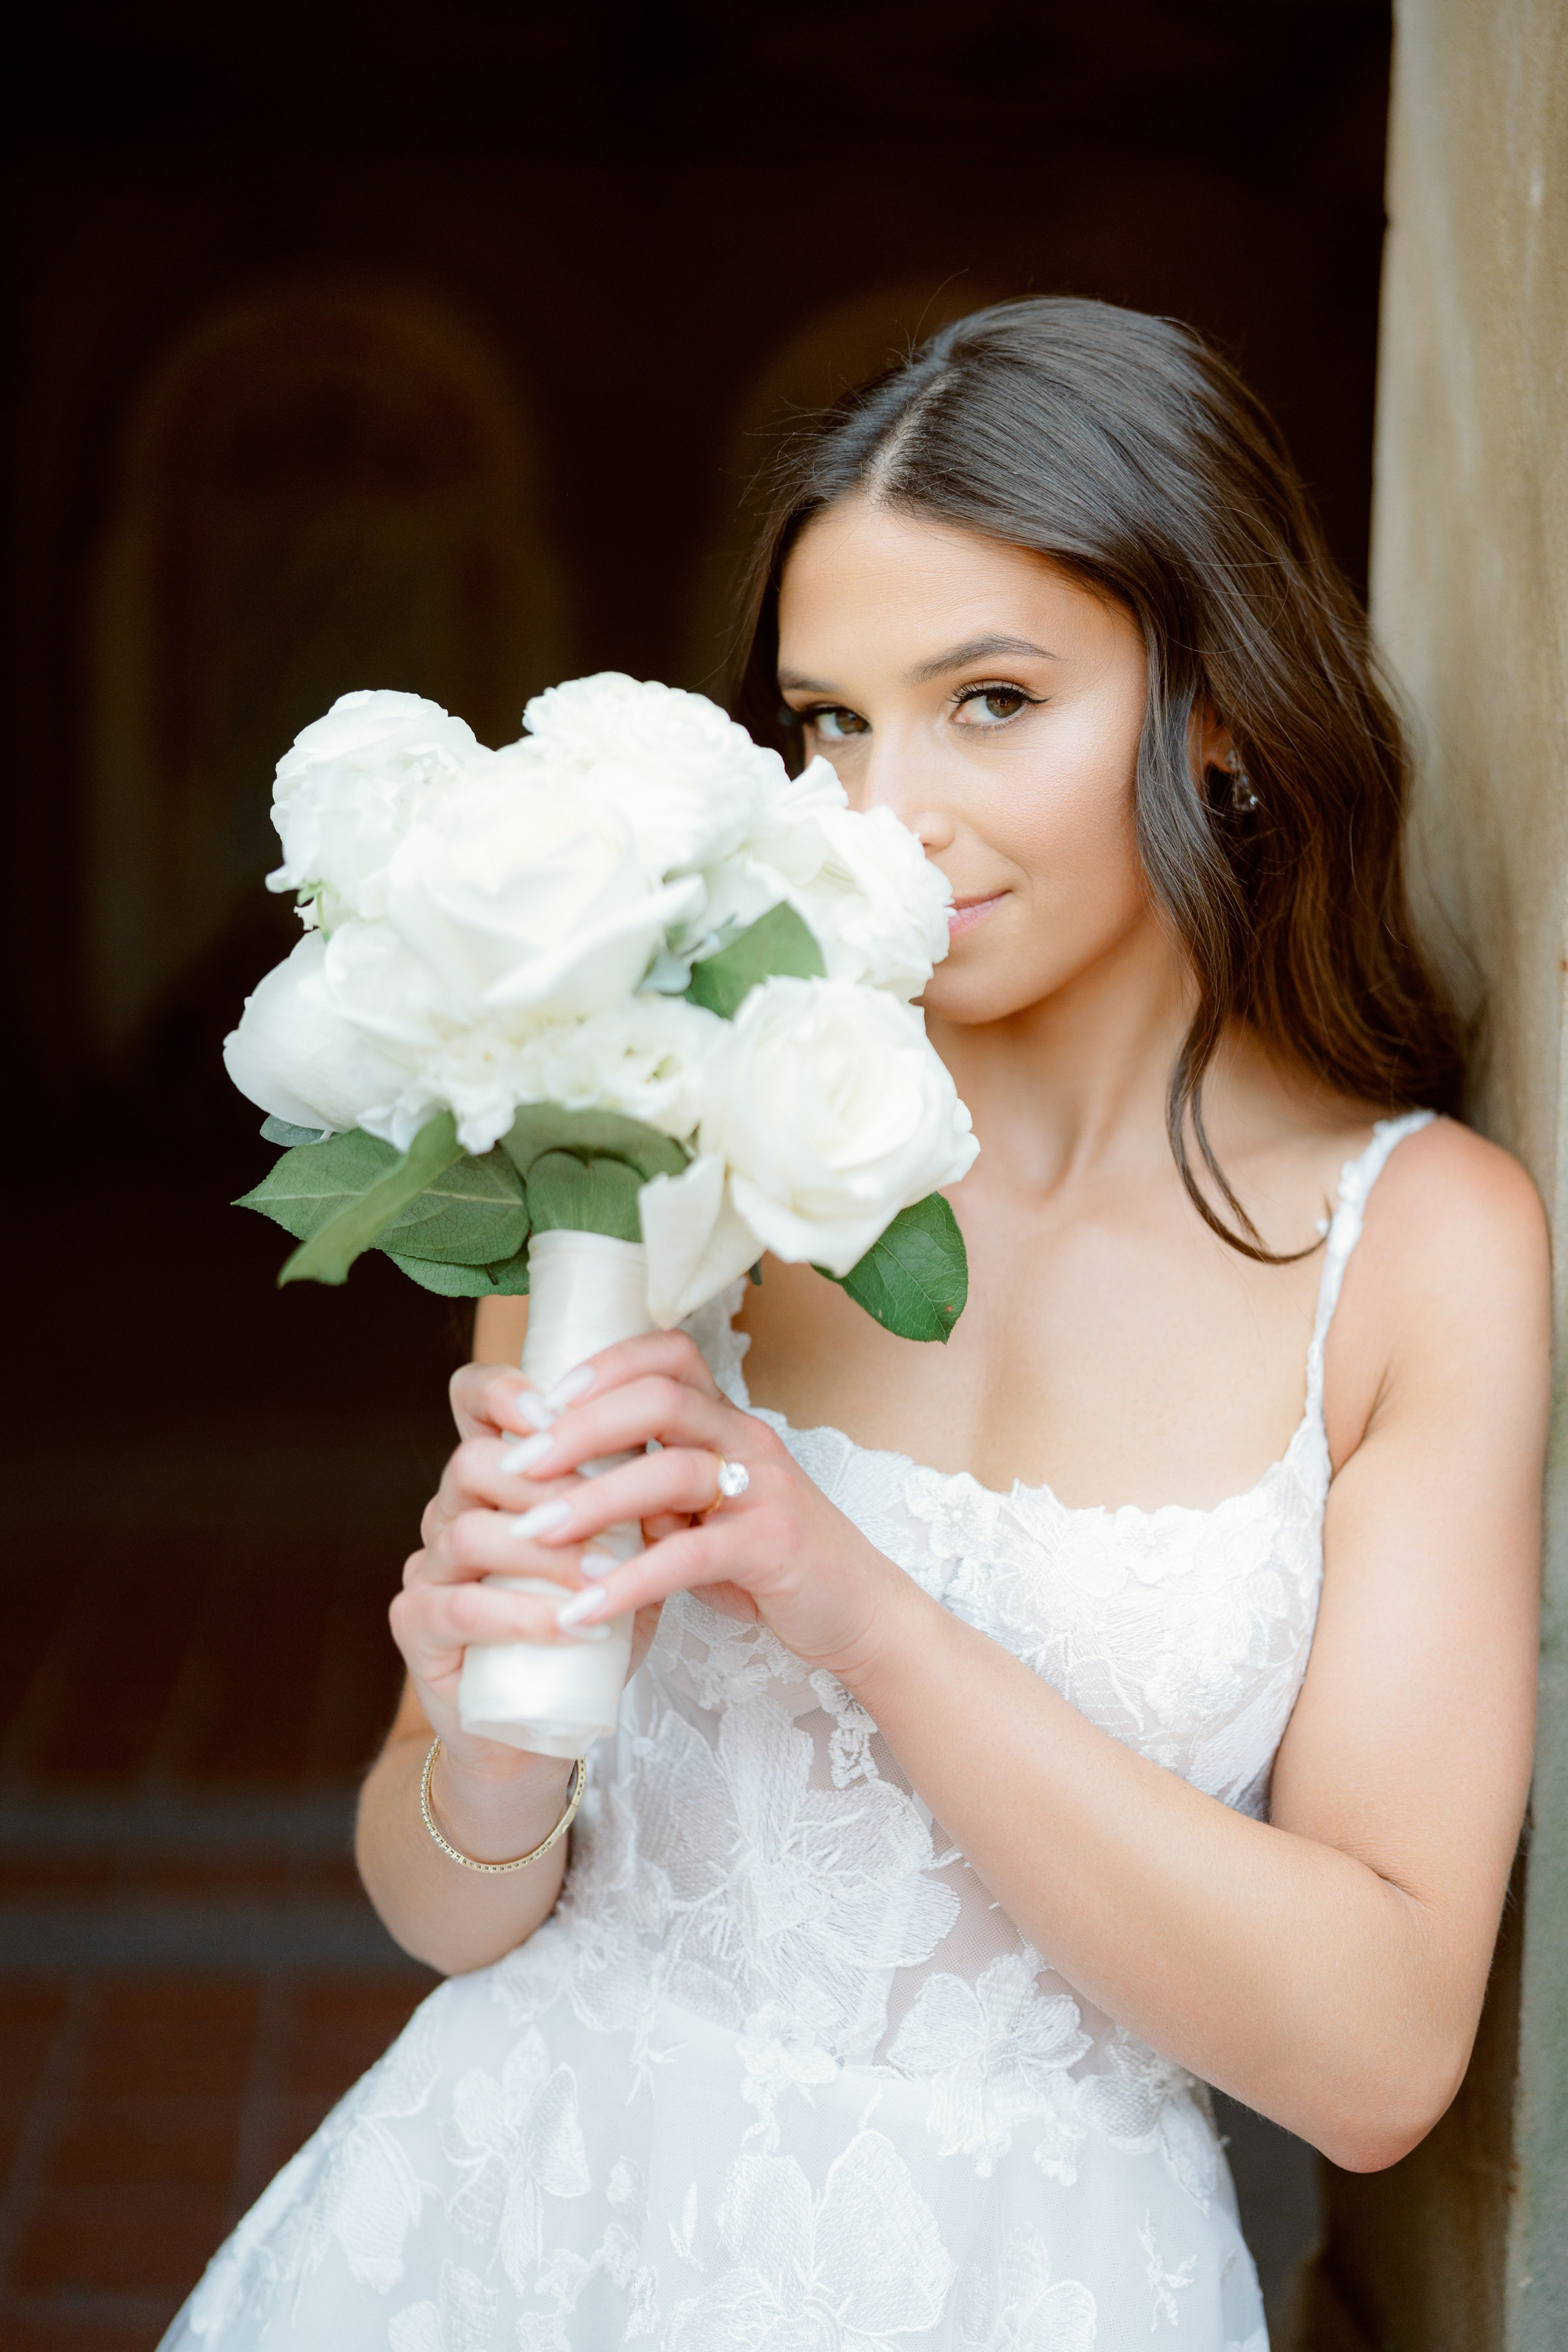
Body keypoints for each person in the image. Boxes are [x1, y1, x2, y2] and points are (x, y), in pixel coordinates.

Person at [165, 299, 1548, 2351]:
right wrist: (478, 1722)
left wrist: (862, 1616)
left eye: (992, 702)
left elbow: (1377, 2061)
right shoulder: (655, 1125)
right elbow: (443, 1906)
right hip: (511, 2232)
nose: (890, 810)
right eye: (833, 722)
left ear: (1222, 709)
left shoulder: (1419, 1246)